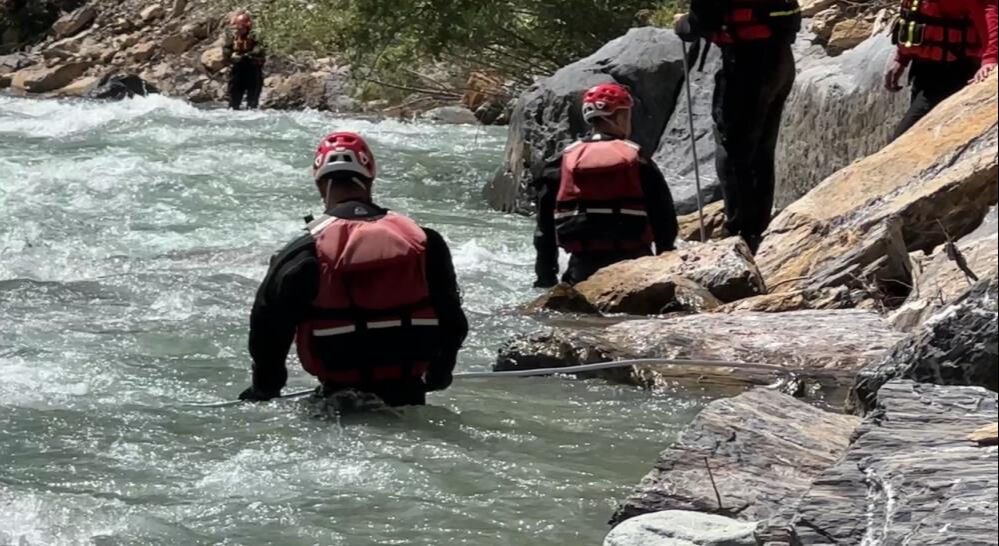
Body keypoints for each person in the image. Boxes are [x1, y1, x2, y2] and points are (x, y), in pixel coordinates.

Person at [239, 132, 469, 407]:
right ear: (370, 177)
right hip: (407, 395)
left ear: (319, 183)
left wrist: (265, 388)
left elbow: (268, 329)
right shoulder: (424, 242)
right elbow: (452, 320)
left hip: (336, 403)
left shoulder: (305, 252)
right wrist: (439, 374)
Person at [674, 0, 802, 254]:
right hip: (780, 61)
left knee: (733, 150)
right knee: (763, 147)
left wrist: (682, 24)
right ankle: (759, 224)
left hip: (746, 65)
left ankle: (741, 232)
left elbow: (701, 23)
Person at [533, 83, 679, 287]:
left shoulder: (561, 163)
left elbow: (544, 231)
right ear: (620, 117)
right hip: (636, 265)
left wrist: (546, 278)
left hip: (581, 270)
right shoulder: (638, 159)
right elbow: (665, 219)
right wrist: (666, 259)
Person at [885, 0, 998, 140]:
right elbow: (915, 17)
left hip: (954, 70)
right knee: (920, 134)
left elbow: (989, 13)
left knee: (905, 137)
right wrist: (901, 59)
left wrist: (990, 59)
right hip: (923, 70)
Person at [222, 11, 266, 110]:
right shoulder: (233, 37)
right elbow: (226, 49)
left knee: (252, 105)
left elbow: (258, 50)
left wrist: (245, 55)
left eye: (240, 27)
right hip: (237, 72)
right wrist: (230, 55)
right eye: (237, 27)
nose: (238, 29)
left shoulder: (255, 37)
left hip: (253, 72)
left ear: (247, 27)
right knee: (233, 104)